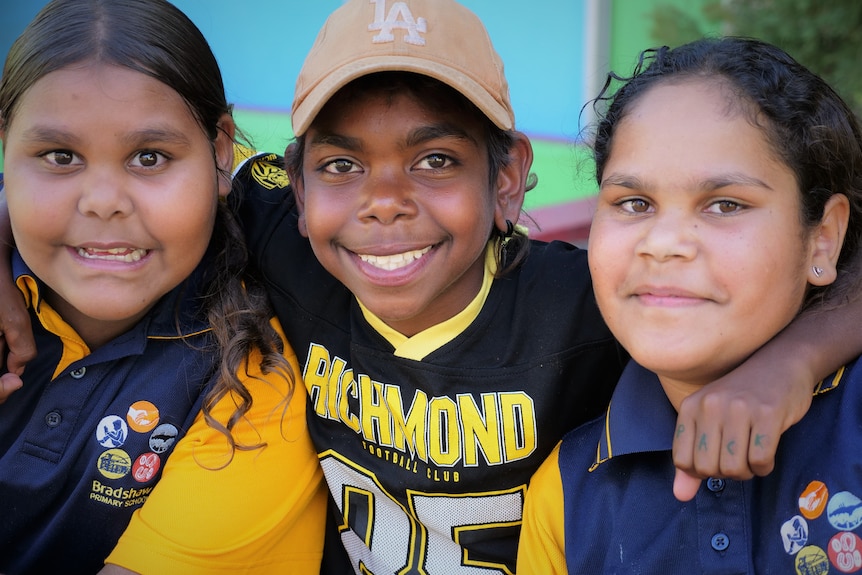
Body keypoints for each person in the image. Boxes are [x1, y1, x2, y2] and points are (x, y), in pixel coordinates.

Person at [3, 1, 862, 573]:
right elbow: (109, 189)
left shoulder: (597, 302)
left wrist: (791, 358)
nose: (383, 201)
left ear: (509, 178)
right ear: (294, 190)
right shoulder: (284, 240)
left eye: (436, 159)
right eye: (341, 164)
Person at [0, 0, 325, 573]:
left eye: (149, 157)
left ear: (220, 151)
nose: (103, 202)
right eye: (59, 155)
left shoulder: (253, 385)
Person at [516, 36, 862, 574]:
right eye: (634, 203)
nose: (664, 241)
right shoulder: (564, 493)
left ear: (822, 239)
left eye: (726, 204)